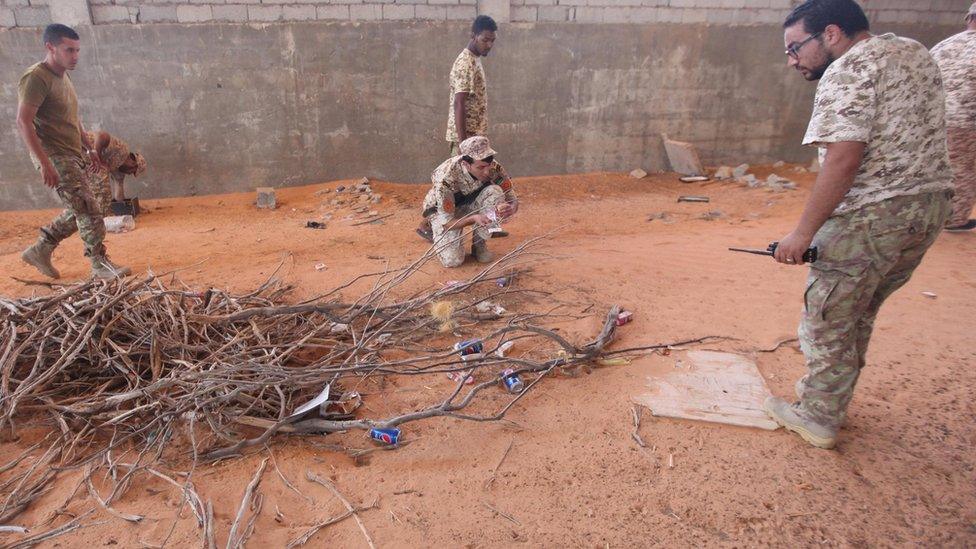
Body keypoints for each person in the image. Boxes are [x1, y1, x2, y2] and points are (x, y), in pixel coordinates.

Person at [764, 0, 953, 449]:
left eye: (795, 48)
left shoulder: (847, 70)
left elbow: (845, 158)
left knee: (827, 316)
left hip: (872, 215)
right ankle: (831, 399)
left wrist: (802, 234)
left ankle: (817, 416)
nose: (791, 60)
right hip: (928, 208)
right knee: (859, 309)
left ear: (830, 34)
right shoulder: (912, 51)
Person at [17, 24, 130, 280]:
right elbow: (23, 121)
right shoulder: (36, 78)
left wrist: (89, 148)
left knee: (79, 206)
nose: (75, 56)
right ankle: (99, 263)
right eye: (69, 50)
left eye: (77, 50)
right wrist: (45, 163)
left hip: (72, 152)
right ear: (50, 47)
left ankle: (40, 249)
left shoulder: (63, 75)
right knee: (89, 207)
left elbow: (73, 116)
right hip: (55, 155)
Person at [421, 136, 518, 268]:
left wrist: (511, 208)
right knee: (453, 261)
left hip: (471, 203)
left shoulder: (493, 167)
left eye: (488, 166)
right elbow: (447, 222)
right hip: (444, 212)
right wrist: (473, 218)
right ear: (466, 164)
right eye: (481, 167)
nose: (487, 171)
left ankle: (479, 244)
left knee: (495, 192)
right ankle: (434, 229)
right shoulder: (445, 178)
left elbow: (512, 198)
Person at [930, 2, 976, 232]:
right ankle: (955, 220)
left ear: (969, 18)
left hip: (927, 119)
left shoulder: (944, 45)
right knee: (963, 171)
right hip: (965, 123)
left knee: (931, 169)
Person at [446, 15, 496, 156]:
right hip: (466, 140)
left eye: (492, 40)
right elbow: (459, 103)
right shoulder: (465, 63)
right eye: (485, 40)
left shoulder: (475, 59)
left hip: (475, 138)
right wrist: (463, 145)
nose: (489, 45)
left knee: (478, 177)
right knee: (464, 177)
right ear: (473, 36)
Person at [86, 130, 147, 205]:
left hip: (86, 162)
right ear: (133, 164)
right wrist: (98, 159)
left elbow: (119, 195)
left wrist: (126, 207)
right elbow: (102, 136)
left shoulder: (120, 169)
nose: (129, 174)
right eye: (133, 172)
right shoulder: (122, 149)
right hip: (82, 146)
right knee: (101, 183)